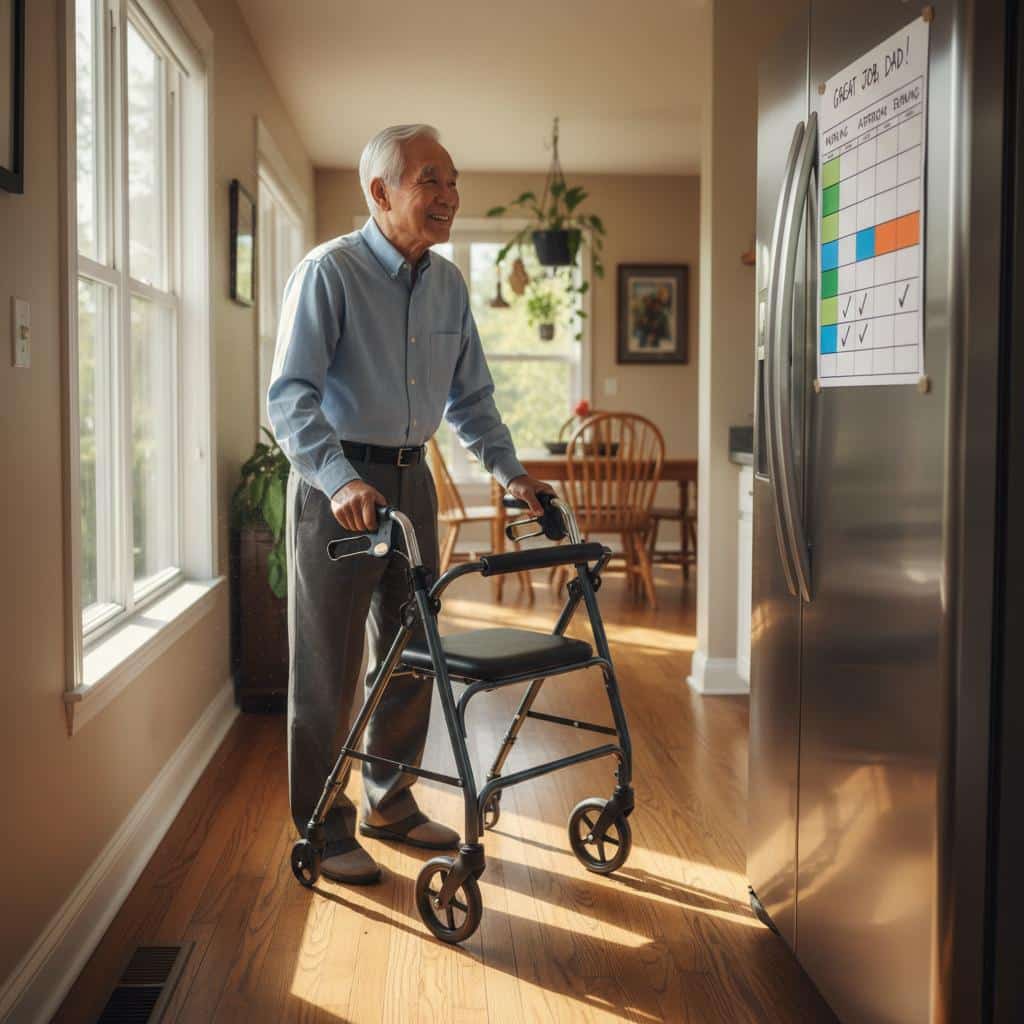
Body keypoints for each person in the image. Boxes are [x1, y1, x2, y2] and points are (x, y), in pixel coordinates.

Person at [267, 124, 554, 884]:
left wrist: (511, 473)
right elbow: (290, 400)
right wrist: (338, 478)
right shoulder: (328, 273)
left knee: (411, 652)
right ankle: (323, 827)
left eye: (453, 182)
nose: (449, 197)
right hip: (339, 489)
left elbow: (473, 400)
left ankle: (390, 801)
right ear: (381, 192)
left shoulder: (450, 285)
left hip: (411, 483)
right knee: (328, 665)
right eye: (432, 180)